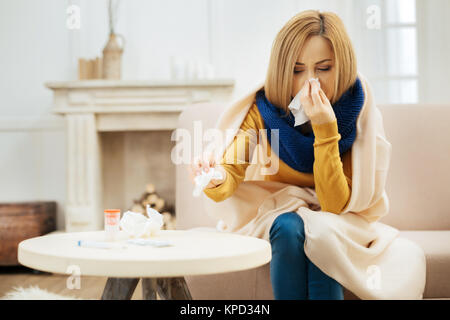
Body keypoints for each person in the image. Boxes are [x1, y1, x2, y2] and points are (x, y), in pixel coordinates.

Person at [188, 10, 366, 300]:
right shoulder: (265, 112)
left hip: (341, 217)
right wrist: (212, 176)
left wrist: (325, 128)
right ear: (283, 70)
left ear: (341, 66)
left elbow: (334, 205)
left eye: (323, 68)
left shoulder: (356, 112)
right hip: (281, 213)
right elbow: (231, 171)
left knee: (323, 230)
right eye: (297, 70)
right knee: (288, 225)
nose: (311, 82)